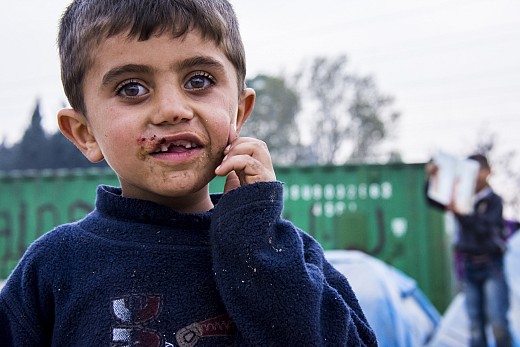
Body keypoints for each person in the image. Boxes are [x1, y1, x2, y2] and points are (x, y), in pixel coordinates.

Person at [0, 1, 377, 346]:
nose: (171, 109)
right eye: (132, 88)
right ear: (84, 133)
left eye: (199, 81)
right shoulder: (54, 266)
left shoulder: (286, 253)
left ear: (239, 112)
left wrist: (256, 243)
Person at [426, 154, 513, 347]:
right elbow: (434, 199)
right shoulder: (460, 196)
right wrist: (432, 177)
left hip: (492, 265)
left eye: (480, 170)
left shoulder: (494, 201)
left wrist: (460, 212)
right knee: (475, 325)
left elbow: (484, 229)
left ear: (488, 172)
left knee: (498, 323)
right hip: (469, 265)